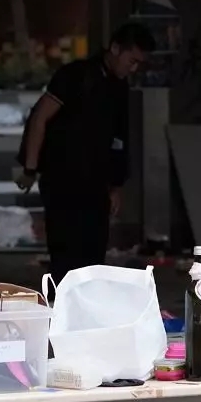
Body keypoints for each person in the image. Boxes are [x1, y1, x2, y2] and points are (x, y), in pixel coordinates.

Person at [15, 22, 155, 285]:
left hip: (96, 184)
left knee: (92, 258)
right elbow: (39, 118)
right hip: (63, 179)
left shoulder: (119, 88)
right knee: (66, 255)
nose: (132, 69)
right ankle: (64, 309)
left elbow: (118, 139)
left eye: (139, 64)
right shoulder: (75, 76)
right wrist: (30, 168)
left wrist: (115, 187)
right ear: (115, 48)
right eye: (131, 60)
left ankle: (85, 311)